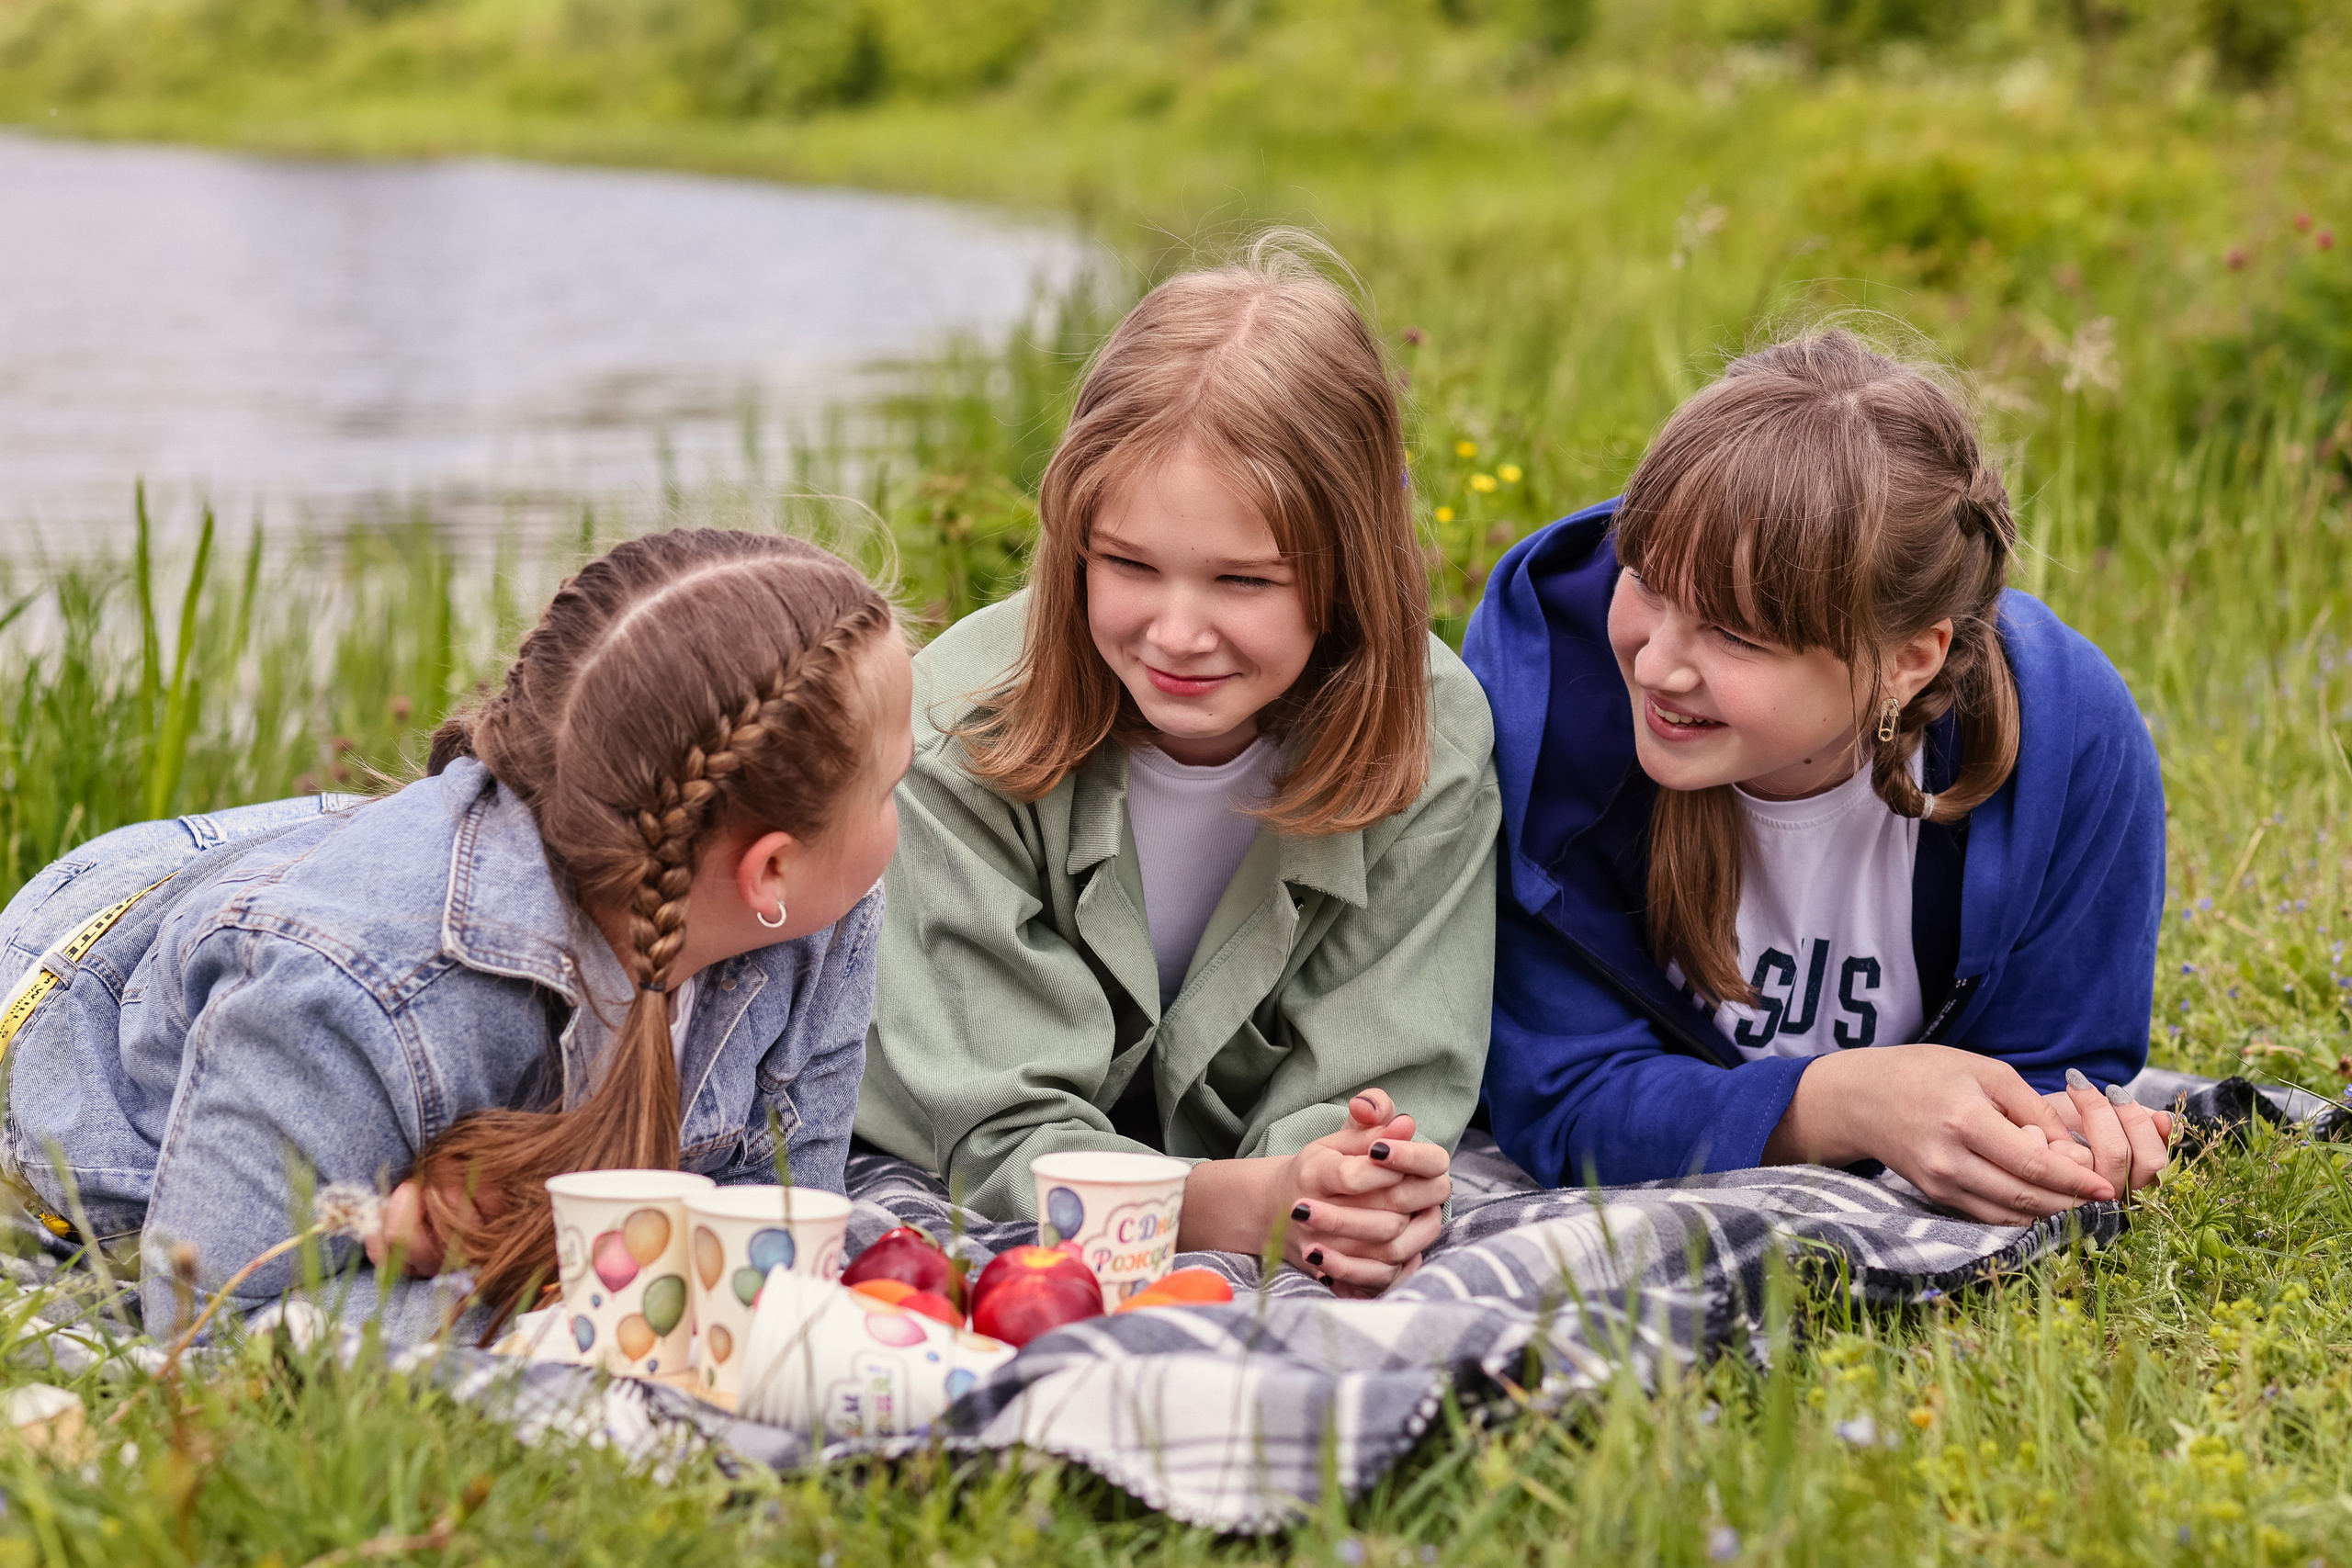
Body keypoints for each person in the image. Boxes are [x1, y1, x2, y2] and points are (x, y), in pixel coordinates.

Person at [0, 530, 910, 1337]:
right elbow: (207, 1332)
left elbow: (788, 1228)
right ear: (771, 868)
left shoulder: (811, 913)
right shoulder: (348, 991)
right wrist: (549, 1299)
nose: (898, 811)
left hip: (309, 870)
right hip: (76, 988)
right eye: (892, 785)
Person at [856, 236, 1500, 1294]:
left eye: (1244, 581)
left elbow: (1386, 1081)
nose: (1177, 632)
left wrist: (1350, 1181)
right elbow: (993, 1124)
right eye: (1129, 565)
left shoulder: (1429, 734)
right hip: (984, 1173)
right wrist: (1251, 1204)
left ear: (1350, 573)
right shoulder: (953, 723)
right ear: (1074, 542)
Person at [1464, 331, 2172, 1223]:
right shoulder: (1541, 715)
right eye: (1645, 582)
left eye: (1735, 636)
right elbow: (1560, 1099)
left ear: (1908, 662)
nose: (1657, 666)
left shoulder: (2063, 742)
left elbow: (2054, 1066)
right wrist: (1848, 1103)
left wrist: (2059, 1136)